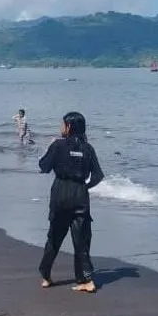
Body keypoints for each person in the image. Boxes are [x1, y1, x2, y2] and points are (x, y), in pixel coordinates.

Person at [38, 112, 104, 293]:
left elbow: (44, 166)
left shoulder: (58, 145)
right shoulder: (88, 148)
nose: (61, 127)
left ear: (69, 127)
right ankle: (86, 280)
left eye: (63, 124)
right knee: (81, 240)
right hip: (80, 194)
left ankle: (46, 276)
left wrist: (49, 147)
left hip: (60, 192)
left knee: (54, 237)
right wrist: (84, 187)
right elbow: (98, 175)